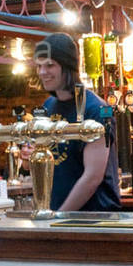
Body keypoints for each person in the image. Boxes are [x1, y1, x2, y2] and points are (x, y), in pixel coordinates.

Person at [35, 32, 121, 213]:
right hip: (58, 216)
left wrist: (59, 216)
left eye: (50, 65)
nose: (42, 72)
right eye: (39, 66)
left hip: (94, 219)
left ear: (68, 67)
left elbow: (92, 176)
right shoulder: (47, 107)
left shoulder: (96, 109)